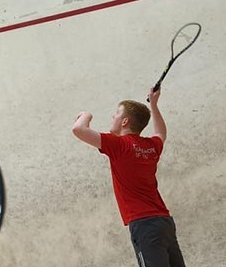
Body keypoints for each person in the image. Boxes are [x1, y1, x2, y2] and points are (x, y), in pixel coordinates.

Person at [72, 87, 185, 267]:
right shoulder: (151, 146)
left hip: (144, 226)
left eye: (117, 114)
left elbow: (78, 129)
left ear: (125, 121)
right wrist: (154, 105)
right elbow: (161, 134)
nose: (113, 117)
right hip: (165, 223)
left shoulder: (118, 145)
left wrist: (87, 114)